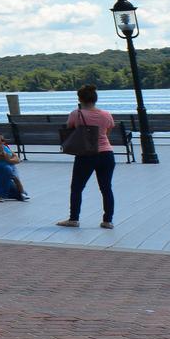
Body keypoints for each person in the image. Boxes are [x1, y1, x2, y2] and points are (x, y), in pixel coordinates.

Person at [57, 84, 116, 230]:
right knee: (106, 188)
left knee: (77, 187)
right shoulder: (106, 115)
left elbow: (69, 128)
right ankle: (108, 221)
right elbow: (108, 130)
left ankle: (74, 219)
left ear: (80, 98)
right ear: (95, 99)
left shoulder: (76, 114)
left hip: (86, 155)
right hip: (106, 154)